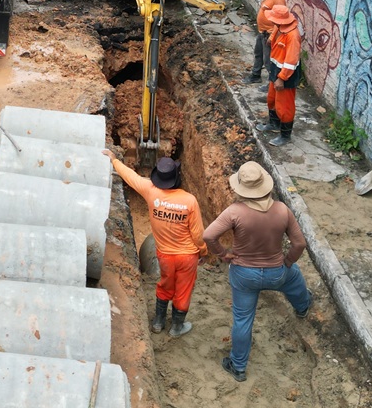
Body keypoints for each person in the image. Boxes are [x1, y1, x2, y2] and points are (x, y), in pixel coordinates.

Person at [201, 161, 311, 382]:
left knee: (242, 319)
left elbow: (208, 236)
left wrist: (222, 254)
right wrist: (287, 262)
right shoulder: (282, 210)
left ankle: (238, 366)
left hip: (244, 276)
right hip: (276, 273)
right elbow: (299, 244)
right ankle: (303, 307)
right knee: (294, 277)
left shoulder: (234, 212)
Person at [103, 151, 207, 336]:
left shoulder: (151, 190)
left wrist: (114, 159)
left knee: (165, 284)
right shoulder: (189, 201)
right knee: (183, 291)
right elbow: (197, 234)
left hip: (165, 255)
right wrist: (203, 250)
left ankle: (158, 323)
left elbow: (131, 177)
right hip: (187, 256)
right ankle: (176, 327)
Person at [257, 3, 301, 146]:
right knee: (271, 99)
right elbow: (274, 34)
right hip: (276, 70)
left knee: (285, 106)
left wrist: (281, 79)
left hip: (285, 75)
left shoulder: (292, 36)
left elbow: (291, 61)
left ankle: (285, 135)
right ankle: (273, 124)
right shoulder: (280, 28)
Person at [247, 0, 284, 84]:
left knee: (269, 60)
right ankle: (255, 75)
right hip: (262, 32)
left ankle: (272, 83)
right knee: (258, 54)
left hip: (269, 34)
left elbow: (280, 20)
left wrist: (272, 36)